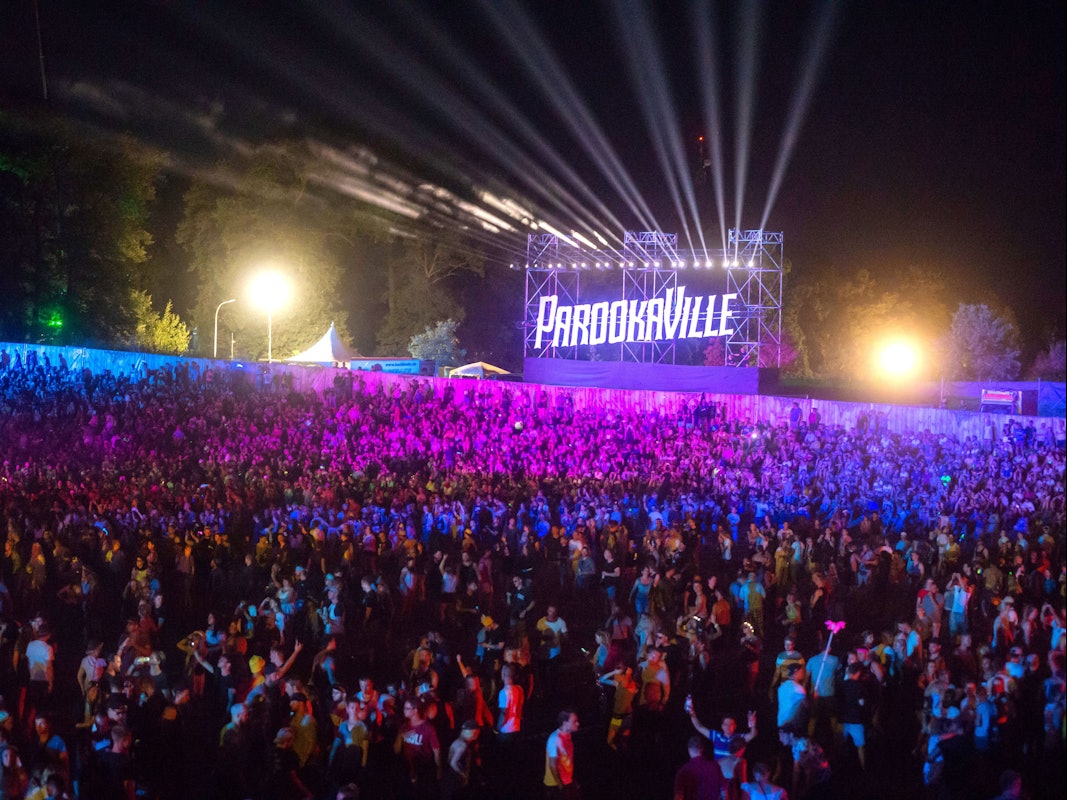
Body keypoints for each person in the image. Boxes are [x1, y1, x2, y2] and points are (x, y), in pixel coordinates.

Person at [673, 735, 725, 800]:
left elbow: (679, 796)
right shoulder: (715, 767)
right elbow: (724, 792)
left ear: (688, 750)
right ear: (702, 749)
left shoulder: (683, 771)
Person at [544, 709, 579, 798]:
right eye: (574, 721)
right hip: (555, 785)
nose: (578, 723)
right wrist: (561, 787)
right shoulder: (555, 739)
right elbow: (552, 765)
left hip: (566, 781)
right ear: (565, 723)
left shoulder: (568, 736)